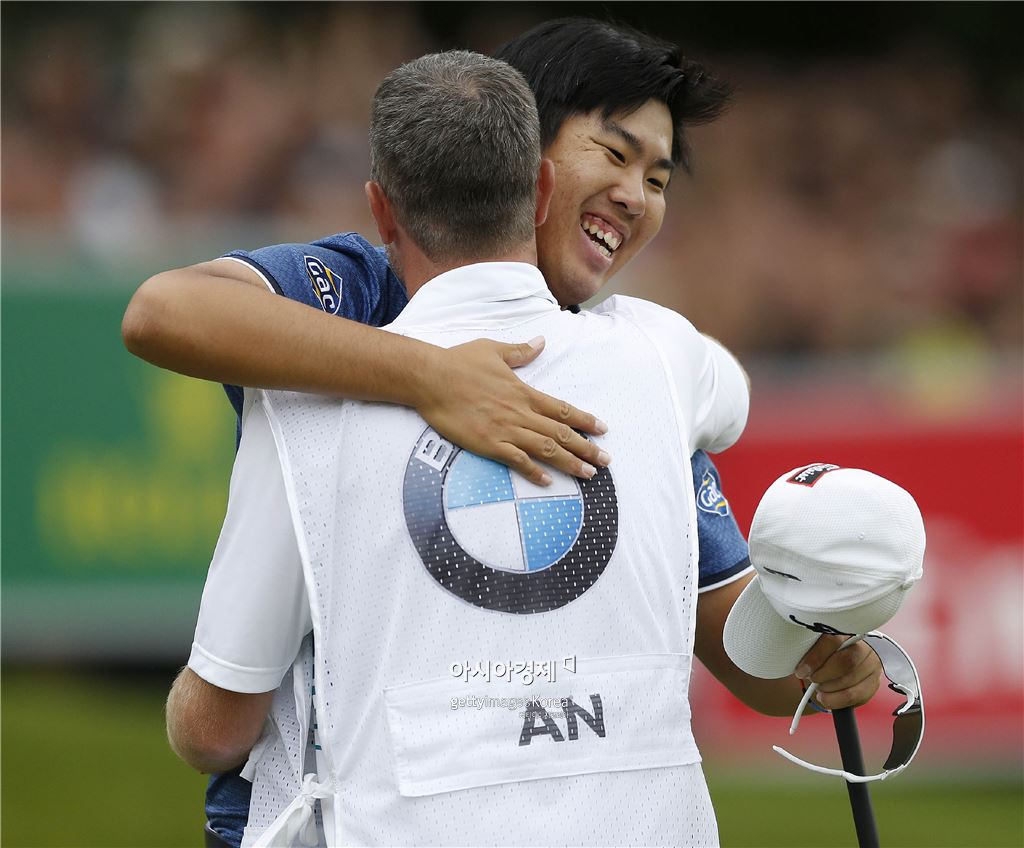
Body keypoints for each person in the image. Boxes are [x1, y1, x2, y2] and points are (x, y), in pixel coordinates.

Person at [126, 17, 882, 845]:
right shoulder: (363, 289)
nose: (636, 196)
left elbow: (753, 663)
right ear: (531, 166)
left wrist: (819, 651)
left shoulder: (638, 369)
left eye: (659, 179)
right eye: (615, 153)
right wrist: (428, 374)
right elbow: (164, 312)